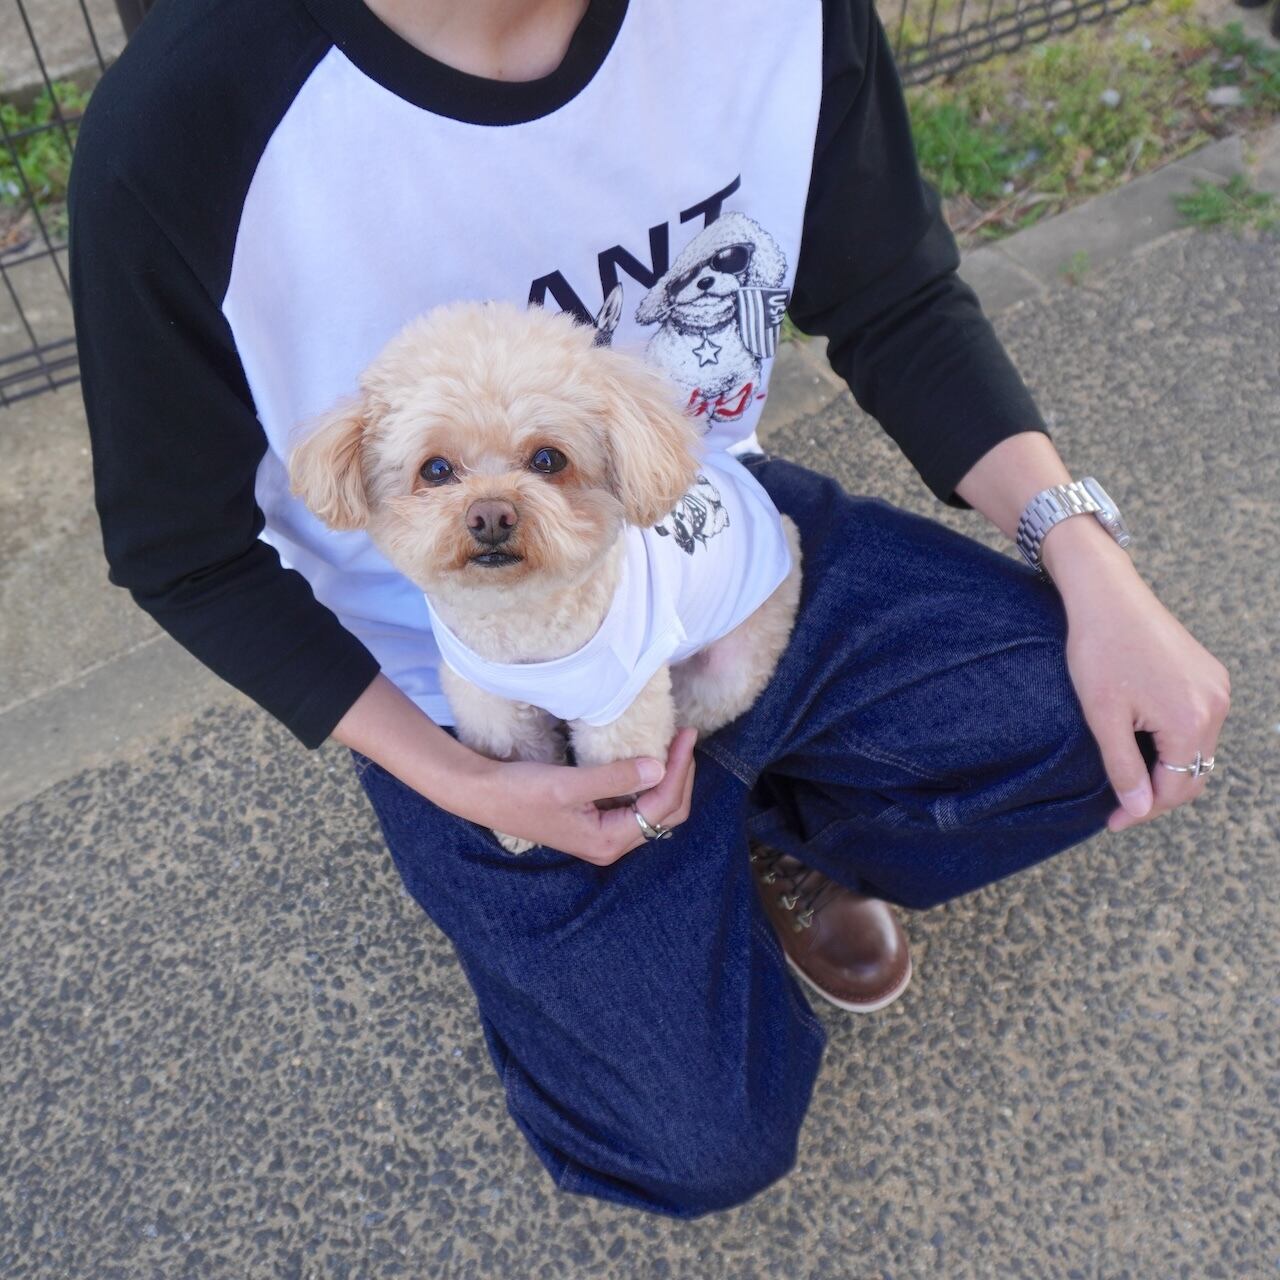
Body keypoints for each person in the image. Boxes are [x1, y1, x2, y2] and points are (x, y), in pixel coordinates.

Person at [68, 0, 1230, 1217]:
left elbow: (893, 295)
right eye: (442, 468)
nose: (488, 501)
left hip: (708, 537)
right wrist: (464, 782)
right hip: (435, 657)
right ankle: (691, 882)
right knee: (692, 1144)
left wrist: (1091, 564)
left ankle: (766, 826)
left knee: (1103, 723)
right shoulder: (184, 125)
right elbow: (182, 551)